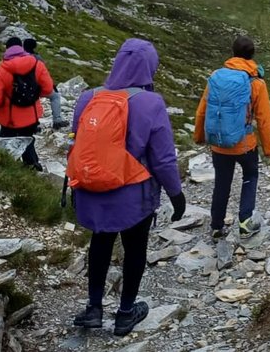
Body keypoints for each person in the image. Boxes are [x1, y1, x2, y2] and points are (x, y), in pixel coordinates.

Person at [69, 38, 187, 337]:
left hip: (92, 189)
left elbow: (79, 140)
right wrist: (176, 194)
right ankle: (125, 313)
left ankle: (94, 308)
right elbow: (162, 159)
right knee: (135, 248)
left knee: (100, 242)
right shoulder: (151, 103)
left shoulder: (88, 97)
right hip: (134, 193)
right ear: (150, 67)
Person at [194, 36, 270, 239]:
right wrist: (268, 149)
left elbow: (202, 110)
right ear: (252, 55)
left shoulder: (216, 77)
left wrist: (199, 136)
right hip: (245, 144)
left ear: (233, 53)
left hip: (219, 144)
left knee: (222, 182)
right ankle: (245, 221)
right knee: (250, 176)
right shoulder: (256, 83)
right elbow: (264, 119)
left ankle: (216, 225)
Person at [0, 37, 54, 171]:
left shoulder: (1, 70)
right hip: (31, 115)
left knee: (6, 141)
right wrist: (33, 96)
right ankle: (33, 165)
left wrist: (3, 103)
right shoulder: (37, 65)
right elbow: (48, 89)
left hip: (9, 117)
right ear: (22, 49)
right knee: (27, 138)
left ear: (7, 49)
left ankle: (7, 167)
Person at [23, 38, 69, 130]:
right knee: (55, 96)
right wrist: (52, 85)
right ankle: (57, 120)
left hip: (22, 88)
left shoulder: (19, 57)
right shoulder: (37, 58)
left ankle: (30, 124)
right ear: (35, 46)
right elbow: (44, 75)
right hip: (37, 87)